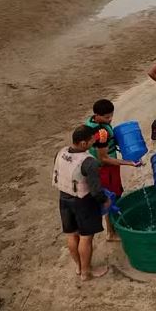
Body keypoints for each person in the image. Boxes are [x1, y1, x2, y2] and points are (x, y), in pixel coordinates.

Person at [53, 125, 111, 281]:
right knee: (86, 237)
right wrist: (105, 201)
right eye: (92, 140)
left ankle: (79, 267)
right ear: (84, 143)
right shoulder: (88, 162)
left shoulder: (61, 153)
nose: (94, 142)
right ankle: (87, 272)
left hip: (64, 198)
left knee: (72, 234)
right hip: (82, 202)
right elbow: (95, 189)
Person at [86, 99, 141, 241]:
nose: (110, 119)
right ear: (96, 115)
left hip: (108, 168)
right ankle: (111, 233)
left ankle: (114, 227)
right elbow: (104, 158)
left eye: (111, 116)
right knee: (110, 198)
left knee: (115, 195)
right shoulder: (100, 132)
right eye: (106, 117)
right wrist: (129, 163)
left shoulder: (93, 123)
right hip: (105, 169)